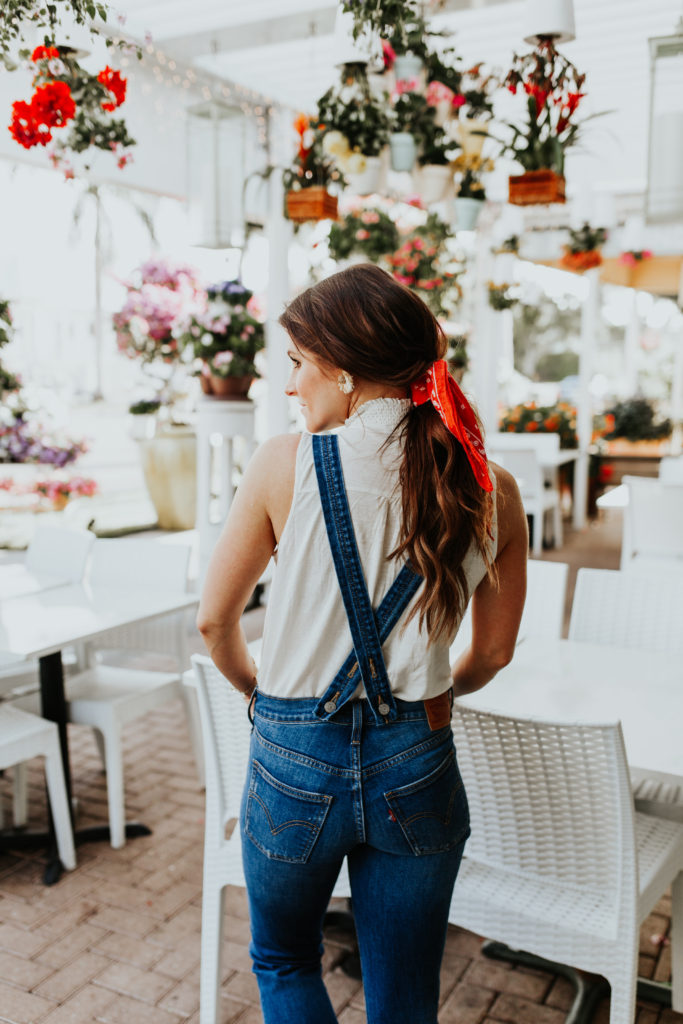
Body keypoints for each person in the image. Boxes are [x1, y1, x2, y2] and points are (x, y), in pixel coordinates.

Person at [197, 263, 528, 1024]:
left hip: (291, 749)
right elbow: (494, 655)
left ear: (342, 370)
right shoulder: (489, 483)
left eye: (297, 364)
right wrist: (432, 691)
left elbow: (215, 621)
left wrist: (259, 689)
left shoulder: (284, 465)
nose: (289, 386)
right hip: (419, 756)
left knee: (283, 961)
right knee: (406, 996)